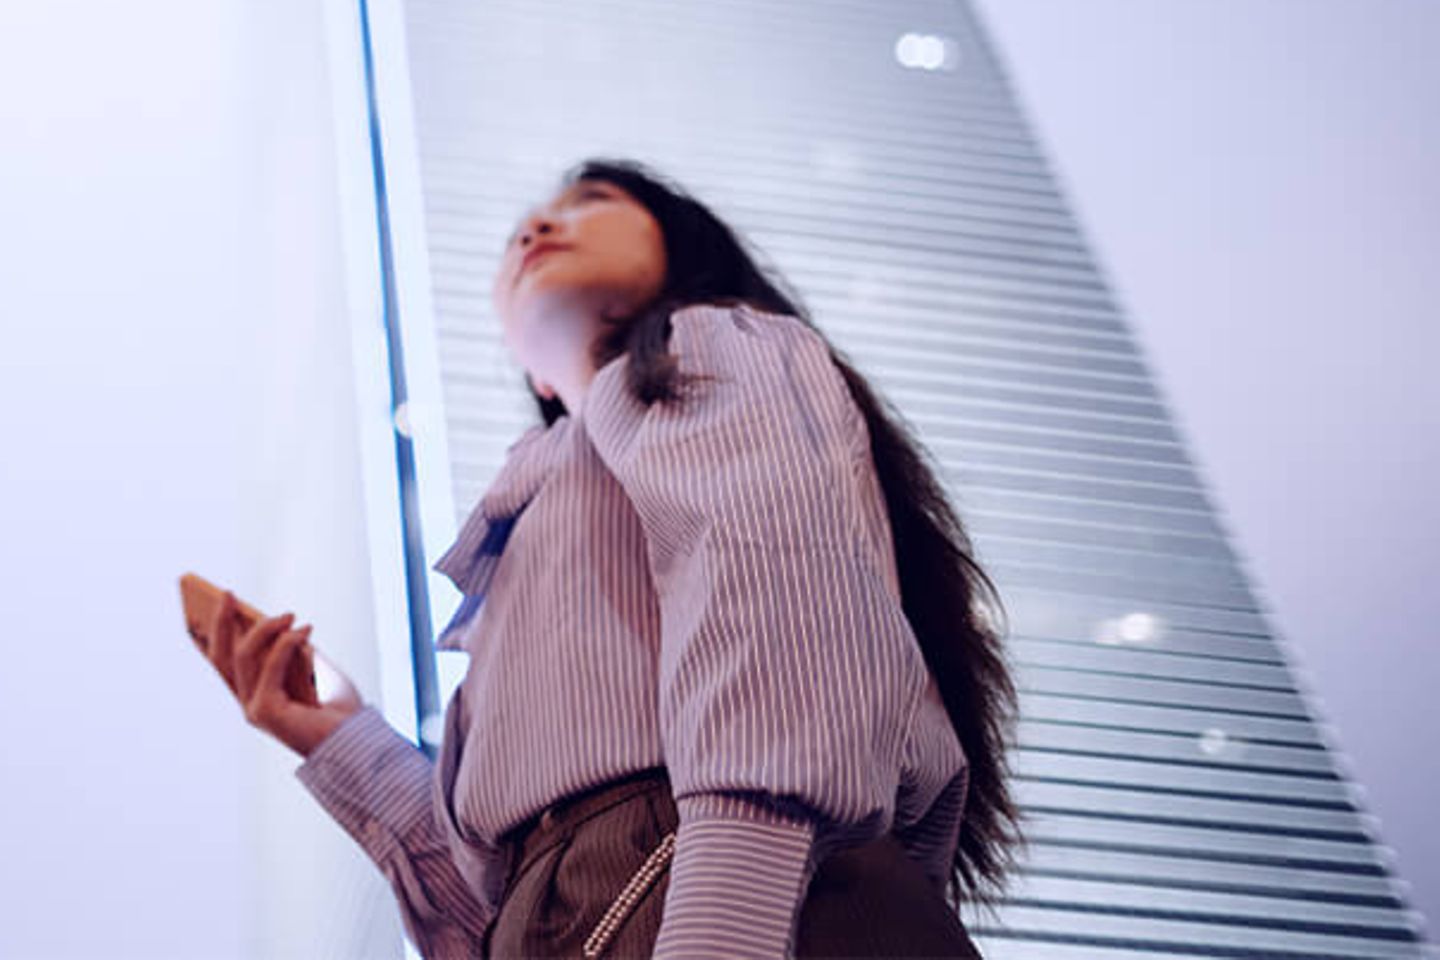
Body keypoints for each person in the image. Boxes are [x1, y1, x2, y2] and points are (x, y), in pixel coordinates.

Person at [191, 157, 1021, 958]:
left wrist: (722, 929)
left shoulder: (708, 344)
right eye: (518, 232)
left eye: (591, 199)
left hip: (730, 888)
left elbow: (779, 603)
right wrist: (335, 735)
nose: (539, 225)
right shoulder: (532, 521)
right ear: (536, 379)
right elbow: (491, 907)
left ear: (682, 251)